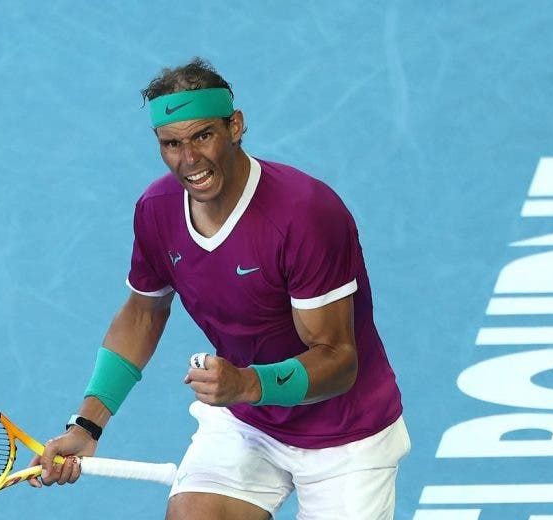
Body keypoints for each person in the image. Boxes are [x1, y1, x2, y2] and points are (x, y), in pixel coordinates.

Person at [29, 57, 409, 519]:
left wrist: (247, 383)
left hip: (346, 433)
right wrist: (87, 424)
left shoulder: (305, 214)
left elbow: (338, 361)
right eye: (171, 143)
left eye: (202, 135)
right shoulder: (157, 210)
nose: (189, 159)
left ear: (235, 126)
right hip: (248, 421)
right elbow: (143, 313)